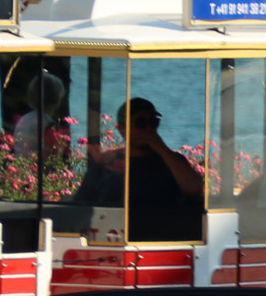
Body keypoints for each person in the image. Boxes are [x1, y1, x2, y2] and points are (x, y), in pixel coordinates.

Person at [76, 97, 206, 237]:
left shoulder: (171, 162)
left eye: (153, 122)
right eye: (141, 123)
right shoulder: (107, 165)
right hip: (115, 235)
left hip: (161, 236)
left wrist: (161, 148)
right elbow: (81, 207)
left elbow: (194, 189)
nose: (149, 128)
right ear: (122, 129)